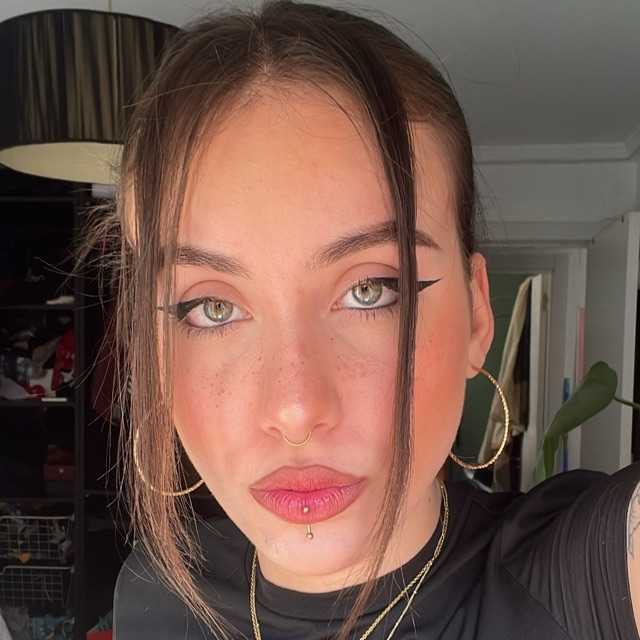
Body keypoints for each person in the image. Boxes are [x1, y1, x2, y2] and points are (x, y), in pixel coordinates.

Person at [79, 1, 640, 638]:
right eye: (213, 308)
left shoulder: (581, 588)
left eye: (371, 291)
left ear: (477, 315)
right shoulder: (154, 593)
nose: (295, 410)